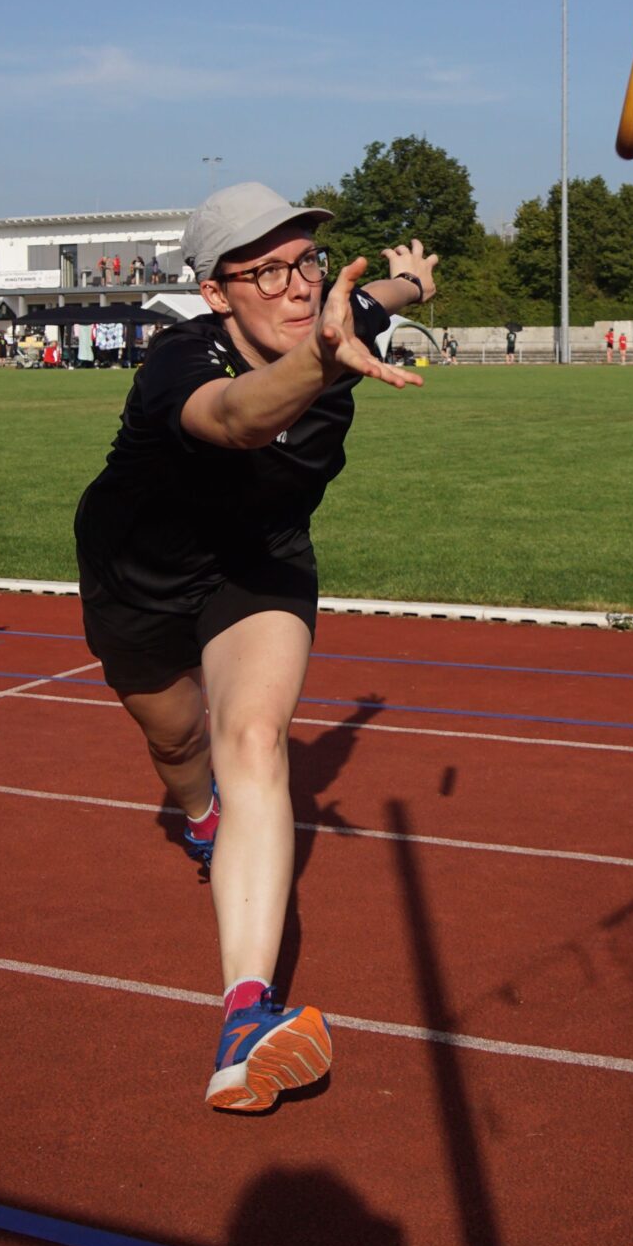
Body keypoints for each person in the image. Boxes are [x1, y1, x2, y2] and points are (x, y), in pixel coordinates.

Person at [73, 183, 431, 1114]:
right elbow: (239, 419)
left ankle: (244, 1018)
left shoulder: (336, 315)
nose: (298, 285)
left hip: (259, 562)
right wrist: (320, 358)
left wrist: (412, 282)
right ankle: (200, 816)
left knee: (256, 739)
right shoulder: (178, 360)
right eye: (266, 271)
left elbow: (376, 298)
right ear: (215, 292)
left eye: (306, 260)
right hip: (139, 576)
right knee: (178, 742)